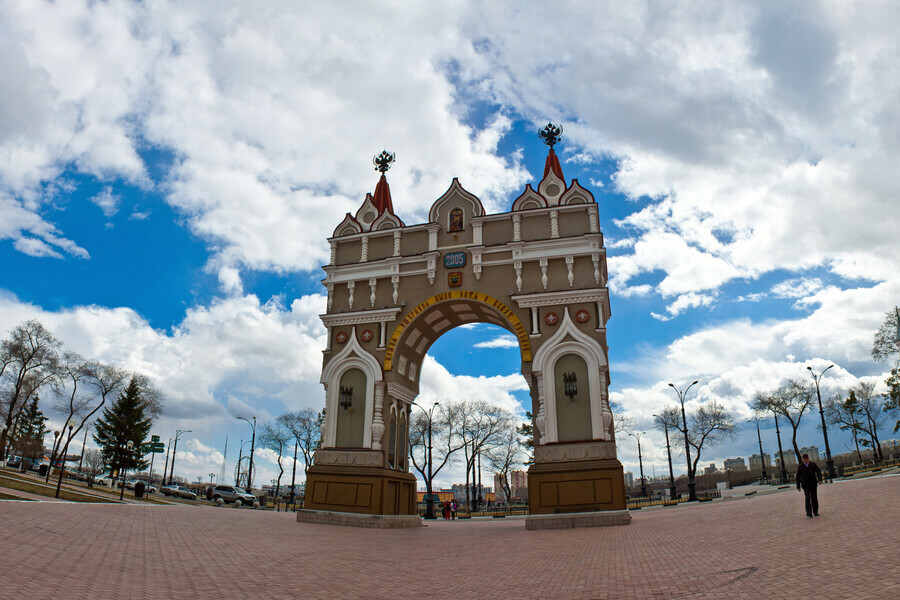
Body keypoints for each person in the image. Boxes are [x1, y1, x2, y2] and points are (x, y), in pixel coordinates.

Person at [796, 453, 823, 517]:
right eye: (804, 459)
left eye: (806, 459)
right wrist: (798, 486)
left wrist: (820, 479)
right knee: (807, 498)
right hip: (805, 485)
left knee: (814, 498)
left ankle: (815, 511)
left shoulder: (813, 465)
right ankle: (809, 512)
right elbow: (798, 477)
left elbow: (818, 472)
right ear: (802, 460)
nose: (805, 460)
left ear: (808, 458)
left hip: (813, 484)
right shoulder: (800, 467)